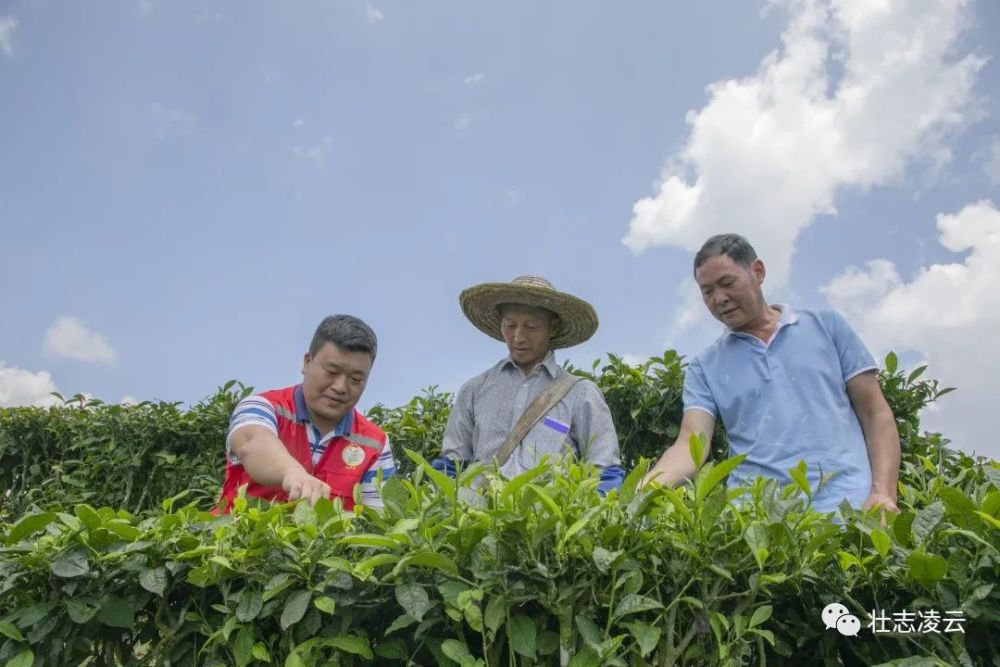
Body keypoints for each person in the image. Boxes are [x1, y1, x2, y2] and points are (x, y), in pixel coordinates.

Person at [643, 234, 901, 514]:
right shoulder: (704, 367)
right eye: (707, 292)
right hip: (757, 524)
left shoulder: (827, 327)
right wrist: (638, 495)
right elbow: (690, 443)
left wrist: (883, 493)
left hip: (849, 512)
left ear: (758, 272)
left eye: (728, 283)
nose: (719, 298)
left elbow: (875, 413)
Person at [434, 275, 625, 493]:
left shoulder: (580, 393)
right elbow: (450, 467)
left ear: (553, 327)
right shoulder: (475, 390)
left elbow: (605, 471)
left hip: (549, 522)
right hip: (480, 519)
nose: (518, 337)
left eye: (531, 326)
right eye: (510, 325)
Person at [217, 315, 396, 512]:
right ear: (307, 362)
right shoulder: (262, 407)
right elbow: (252, 444)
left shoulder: (375, 443)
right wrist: (292, 473)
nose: (340, 387)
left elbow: (378, 521)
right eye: (332, 372)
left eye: (355, 379)